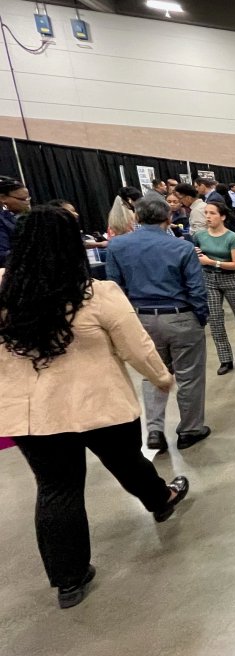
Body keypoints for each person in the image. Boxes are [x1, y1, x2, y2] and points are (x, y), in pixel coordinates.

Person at [0, 206, 190, 609]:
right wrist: (161, 377)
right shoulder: (96, 294)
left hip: (33, 415)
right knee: (127, 461)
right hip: (99, 405)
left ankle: (68, 579)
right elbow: (135, 346)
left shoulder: (5, 292)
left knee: (56, 488)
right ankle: (161, 501)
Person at [106, 198, 211, 453]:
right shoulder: (182, 247)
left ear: (137, 219)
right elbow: (196, 288)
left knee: (152, 373)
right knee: (190, 376)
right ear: (168, 219)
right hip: (180, 315)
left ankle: (154, 430)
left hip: (140, 317)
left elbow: (114, 286)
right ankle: (190, 429)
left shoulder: (117, 246)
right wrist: (200, 317)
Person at [194, 200, 235, 375]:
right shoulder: (200, 236)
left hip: (230, 278)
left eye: (212, 213)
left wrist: (211, 262)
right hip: (208, 279)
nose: (208, 217)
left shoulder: (232, 238)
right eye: (206, 213)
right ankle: (225, 358)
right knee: (215, 320)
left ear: (222, 216)